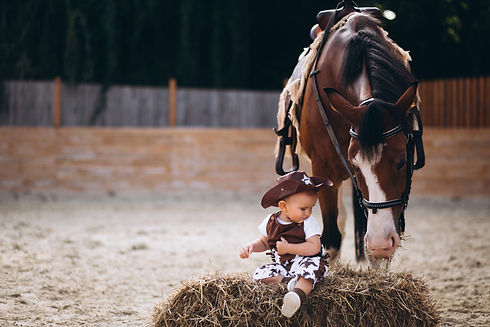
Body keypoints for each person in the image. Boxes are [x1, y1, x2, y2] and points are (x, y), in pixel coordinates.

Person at [239, 171, 332, 318]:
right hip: (283, 267)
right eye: (303, 209)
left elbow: (314, 247)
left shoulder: (308, 223)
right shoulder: (271, 221)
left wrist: (289, 248)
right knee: (259, 274)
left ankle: (297, 296)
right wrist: (251, 246)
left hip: (306, 261)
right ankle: (289, 282)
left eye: (311, 208)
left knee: (310, 272)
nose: (308, 213)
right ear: (283, 206)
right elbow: (264, 242)